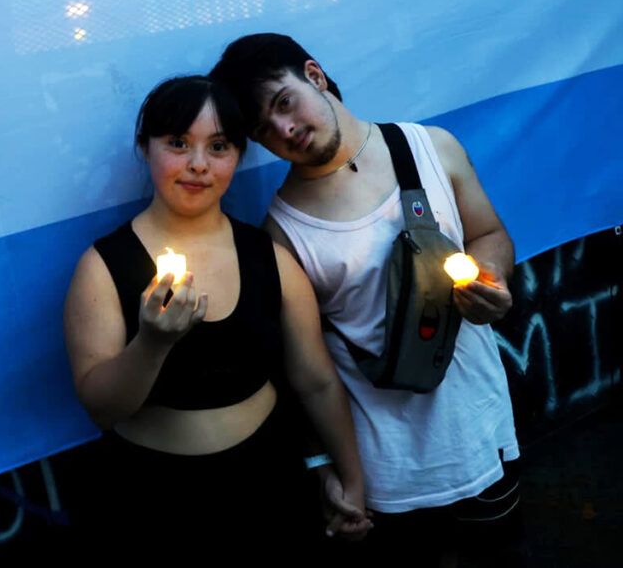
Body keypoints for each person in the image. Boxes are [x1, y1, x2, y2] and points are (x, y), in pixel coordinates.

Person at [210, 34, 525, 567]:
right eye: (265, 129)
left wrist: (491, 281)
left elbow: (490, 234)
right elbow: (307, 371)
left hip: (482, 431)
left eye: (284, 103)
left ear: (314, 74)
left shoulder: (432, 147)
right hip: (388, 471)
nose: (285, 130)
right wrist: (327, 467)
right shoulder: (283, 231)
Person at [62, 76, 369, 565]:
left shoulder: (271, 257)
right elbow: (101, 408)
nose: (198, 165)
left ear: (238, 155)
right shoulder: (103, 267)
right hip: (151, 498)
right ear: (145, 148)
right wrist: (152, 343)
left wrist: (351, 479)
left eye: (219, 146)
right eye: (178, 144)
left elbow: (315, 381)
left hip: (269, 486)